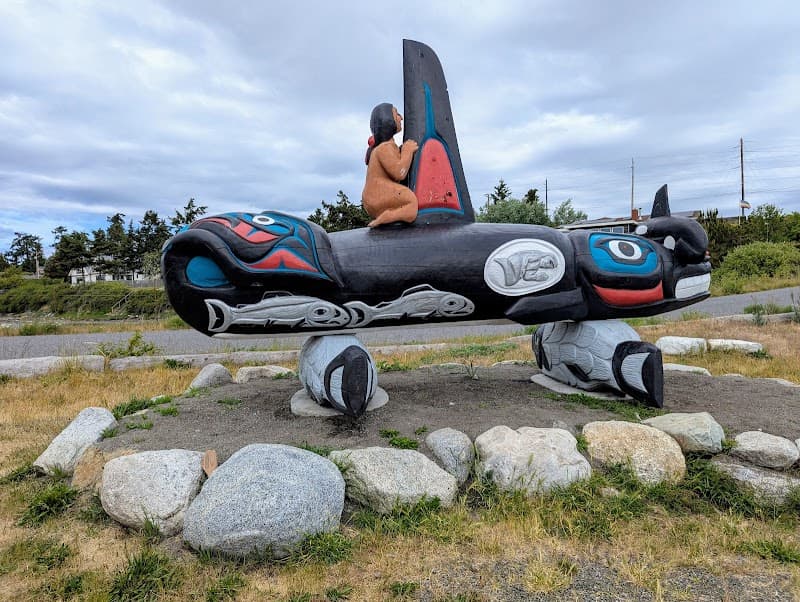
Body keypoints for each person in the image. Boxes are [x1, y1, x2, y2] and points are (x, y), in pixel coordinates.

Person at [361, 103, 419, 227]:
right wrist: (407, 151)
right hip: (376, 195)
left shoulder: (388, 147)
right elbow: (399, 172)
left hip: (375, 196)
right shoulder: (384, 148)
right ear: (387, 120)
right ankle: (388, 216)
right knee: (411, 203)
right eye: (396, 114)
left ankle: (389, 215)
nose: (401, 117)